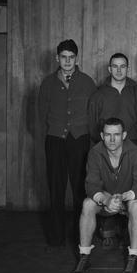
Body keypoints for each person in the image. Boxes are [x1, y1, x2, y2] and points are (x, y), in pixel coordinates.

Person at [70, 118, 137, 273]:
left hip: (128, 198)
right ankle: (84, 256)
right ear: (102, 135)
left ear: (124, 135)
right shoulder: (95, 152)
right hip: (106, 197)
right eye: (108, 135)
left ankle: (133, 256)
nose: (112, 139)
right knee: (87, 204)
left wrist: (123, 197)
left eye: (116, 135)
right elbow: (91, 185)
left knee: (135, 205)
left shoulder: (136, 152)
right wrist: (106, 200)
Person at [38, 39, 96, 251]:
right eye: (64, 57)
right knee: (56, 188)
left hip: (79, 139)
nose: (68, 61)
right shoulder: (47, 83)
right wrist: (53, 132)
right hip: (55, 140)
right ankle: (56, 237)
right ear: (57, 58)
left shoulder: (88, 82)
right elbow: (41, 113)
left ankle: (80, 236)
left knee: (80, 189)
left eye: (71, 57)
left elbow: (93, 112)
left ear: (76, 58)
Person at [88, 53, 137, 147]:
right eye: (115, 66)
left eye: (122, 66)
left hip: (133, 145)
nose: (119, 70)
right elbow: (92, 126)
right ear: (109, 69)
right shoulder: (98, 95)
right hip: (106, 145)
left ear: (128, 69)